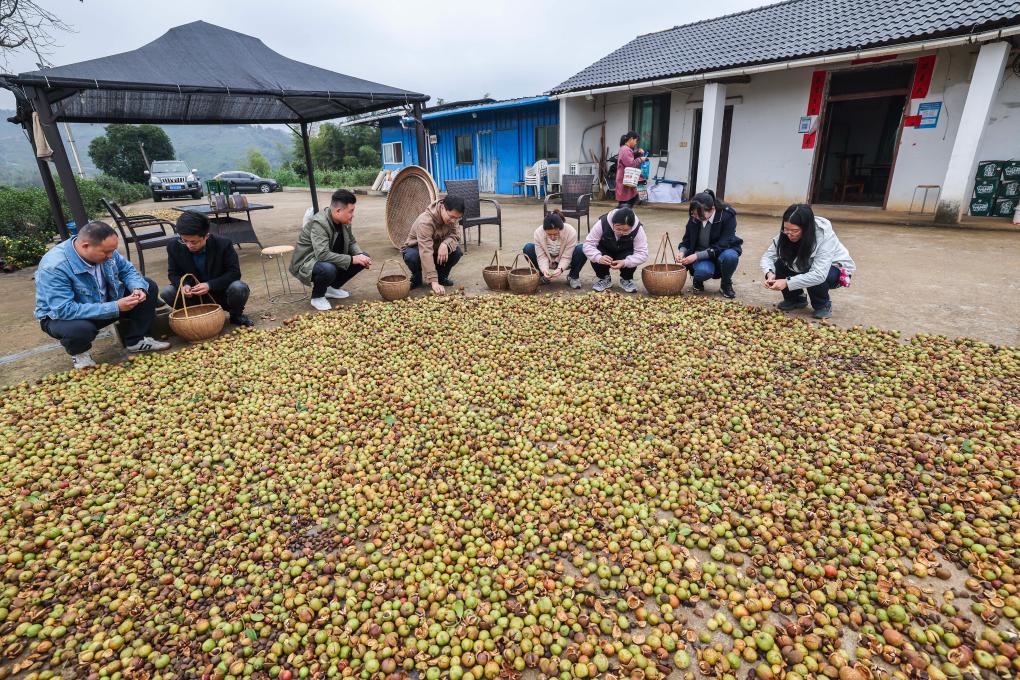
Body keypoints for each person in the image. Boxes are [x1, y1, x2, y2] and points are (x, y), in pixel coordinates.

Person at [34, 220, 170, 369]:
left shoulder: (106, 250)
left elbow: (127, 271)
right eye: (106, 252)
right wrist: (115, 307)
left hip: (105, 303)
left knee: (147, 285)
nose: (111, 256)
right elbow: (64, 309)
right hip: (64, 317)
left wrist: (137, 288)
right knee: (78, 330)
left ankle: (137, 340)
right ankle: (80, 355)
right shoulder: (54, 266)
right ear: (85, 246)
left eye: (113, 250)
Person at [760, 203, 856, 319]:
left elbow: (819, 274)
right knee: (779, 265)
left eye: (795, 231)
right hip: (803, 265)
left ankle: (822, 305)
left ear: (806, 228)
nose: (789, 234)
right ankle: (795, 298)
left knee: (813, 273)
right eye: (786, 229)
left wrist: (787, 282)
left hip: (833, 270)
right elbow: (768, 257)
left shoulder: (825, 237)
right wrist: (769, 273)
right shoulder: (786, 233)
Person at [160, 212, 253, 327]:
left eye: (194, 242)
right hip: (193, 296)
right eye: (184, 240)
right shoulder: (174, 246)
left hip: (220, 293)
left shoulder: (223, 244)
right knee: (167, 292)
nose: (189, 245)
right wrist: (184, 285)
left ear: (206, 236)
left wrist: (209, 285)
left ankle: (236, 315)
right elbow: (173, 273)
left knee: (239, 287)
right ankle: (195, 317)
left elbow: (234, 273)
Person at [290, 189, 372, 311]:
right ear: (338, 211)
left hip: (326, 259)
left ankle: (330, 288)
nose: (353, 215)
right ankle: (317, 296)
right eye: (351, 211)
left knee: (362, 257)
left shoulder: (344, 221)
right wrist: (352, 259)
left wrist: (359, 255)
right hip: (307, 262)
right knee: (329, 269)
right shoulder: (320, 223)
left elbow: (351, 242)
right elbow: (322, 255)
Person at [676, 189, 743, 299]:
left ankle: (725, 284)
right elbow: (687, 240)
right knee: (703, 271)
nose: (696, 218)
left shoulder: (727, 216)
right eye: (694, 214)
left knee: (730, 256)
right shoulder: (695, 217)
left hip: (722, 251)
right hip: (702, 254)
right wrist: (682, 252)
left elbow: (722, 245)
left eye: (699, 215)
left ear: (712, 209)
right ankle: (698, 280)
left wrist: (696, 256)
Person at [402, 195, 465, 295]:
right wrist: (433, 282)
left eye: (457, 218)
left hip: (437, 248)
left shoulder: (454, 217)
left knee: (456, 252)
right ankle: (417, 277)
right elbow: (426, 251)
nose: (453, 221)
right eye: (451, 217)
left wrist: (445, 244)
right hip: (418, 249)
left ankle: (441, 277)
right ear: (443, 208)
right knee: (412, 257)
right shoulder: (425, 221)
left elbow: (456, 236)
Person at [582, 207, 648, 293]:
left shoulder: (638, 229)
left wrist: (625, 262)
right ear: (613, 223)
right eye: (618, 229)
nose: (621, 232)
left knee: (632, 255)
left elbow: (642, 253)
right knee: (596, 251)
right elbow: (588, 244)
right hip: (606, 250)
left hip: (624, 252)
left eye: (626, 230)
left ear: (631, 227)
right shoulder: (603, 222)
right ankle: (604, 278)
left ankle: (626, 279)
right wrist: (598, 258)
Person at [522, 209, 587, 289]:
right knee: (528, 248)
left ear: (560, 228)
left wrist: (560, 269)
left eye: (556, 234)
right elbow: (541, 256)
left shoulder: (570, 231)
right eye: (549, 234)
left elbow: (567, 256)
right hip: (548, 260)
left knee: (583, 248)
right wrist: (544, 270)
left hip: (566, 259)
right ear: (544, 230)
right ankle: (543, 276)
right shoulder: (538, 233)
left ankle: (573, 277)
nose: (552, 237)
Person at [615, 131, 645, 208]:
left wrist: (637, 153)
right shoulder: (625, 149)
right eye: (635, 141)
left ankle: (621, 216)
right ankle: (616, 217)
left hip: (626, 181)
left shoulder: (626, 149)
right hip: (624, 181)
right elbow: (631, 164)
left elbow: (630, 157)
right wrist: (641, 159)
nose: (636, 143)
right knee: (625, 204)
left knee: (630, 200)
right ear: (631, 139)